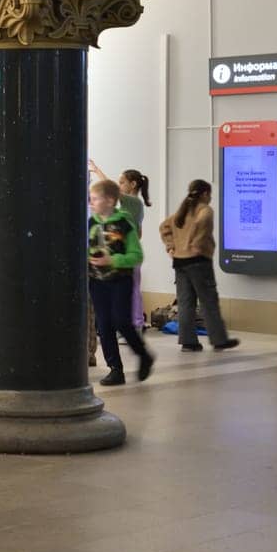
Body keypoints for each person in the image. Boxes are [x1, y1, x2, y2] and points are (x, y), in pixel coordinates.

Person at [158, 179, 238, 353]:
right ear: (205, 194)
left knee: (186, 302)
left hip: (179, 262)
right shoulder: (204, 210)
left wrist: (171, 246)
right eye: (210, 195)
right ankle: (219, 340)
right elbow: (203, 223)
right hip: (198, 261)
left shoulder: (182, 211)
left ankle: (188, 342)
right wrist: (196, 243)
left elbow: (164, 227)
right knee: (209, 301)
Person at [88, 178, 153, 386]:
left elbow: (136, 255)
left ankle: (144, 355)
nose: (91, 202)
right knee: (104, 326)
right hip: (97, 281)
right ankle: (116, 369)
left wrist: (113, 260)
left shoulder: (124, 223)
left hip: (120, 280)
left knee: (121, 322)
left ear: (109, 200)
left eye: (95, 198)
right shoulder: (91, 223)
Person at [90, 160, 152, 328]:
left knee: (132, 291)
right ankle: (127, 324)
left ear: (133, 184)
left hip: (128, 254)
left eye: (122, 182)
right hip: (122, 252)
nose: (119, 185)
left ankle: (136, 324)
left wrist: (97, 171)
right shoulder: (127, 205)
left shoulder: (134, 202)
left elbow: (110, 189)